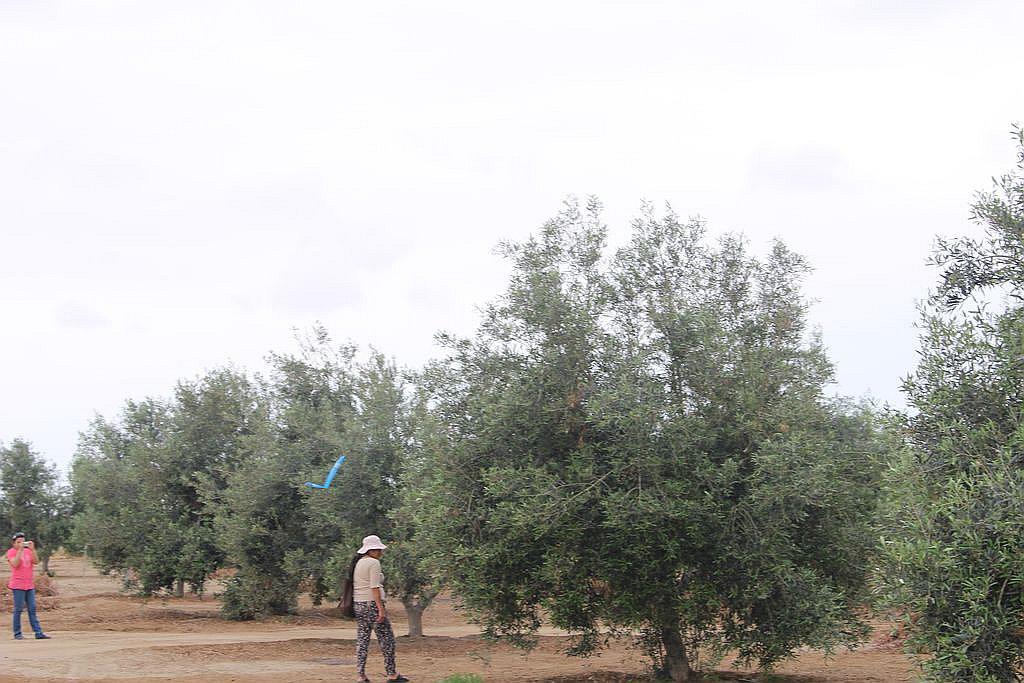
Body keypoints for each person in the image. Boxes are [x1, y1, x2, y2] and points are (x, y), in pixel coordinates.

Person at [352, 534, 408, 682]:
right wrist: (381, 609)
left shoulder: (359, 562)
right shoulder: (374, 563)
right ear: (370, 550)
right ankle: (391, 674)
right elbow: (374, 587)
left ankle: (361, 675)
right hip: (372, 605)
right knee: (387, 639)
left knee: (363, 640)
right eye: (377, 549)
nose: (380, 552)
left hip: (359, 604)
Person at [7, 532, 50, 640]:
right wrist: (20, 551)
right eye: (18, 542)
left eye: (23, 542)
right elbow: (15, 564)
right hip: (18, 585)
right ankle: (17, 633)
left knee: (32, 608)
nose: (21, 544)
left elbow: (36, 561)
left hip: (29, 584)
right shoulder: (11, 552)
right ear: (14, 543)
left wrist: (33, 550)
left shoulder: (28, 551)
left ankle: (38, 632)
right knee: (18, 609)